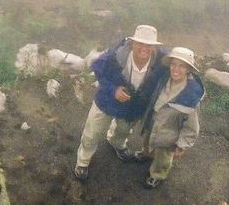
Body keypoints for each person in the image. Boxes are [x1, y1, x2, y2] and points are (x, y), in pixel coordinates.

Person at [73, 24, 168, 182]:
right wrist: (113, 89)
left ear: (154, 46)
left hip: (133, 105)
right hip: (107, 101)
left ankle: (116, 142)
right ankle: (82, 161)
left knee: (123, 130)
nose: (144, 48)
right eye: (140, 43)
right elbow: (97, 67)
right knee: (92, 132)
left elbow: (176, 71)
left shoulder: (161, 59)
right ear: (133, 43)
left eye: (149, 45)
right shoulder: (117, 54)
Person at [136, 46, 204, 189]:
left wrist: (182, 145)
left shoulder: (191, 95)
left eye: (182, 66)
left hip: (169, 133)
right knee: (148, 140)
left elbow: (192, 127)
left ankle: (157, 175)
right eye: (174, 64)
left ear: (188, 70)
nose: (176, 69)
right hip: (153, 121)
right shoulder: (163, 79)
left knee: (163, 156)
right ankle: (147, 154)